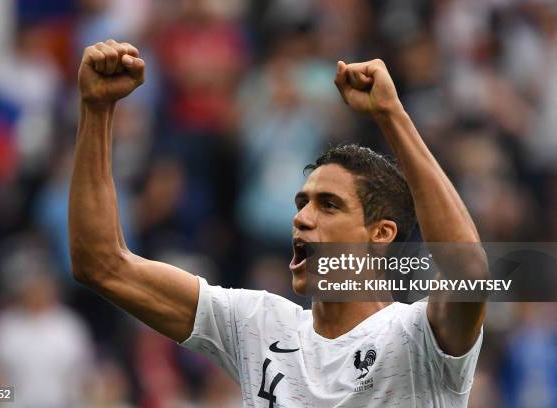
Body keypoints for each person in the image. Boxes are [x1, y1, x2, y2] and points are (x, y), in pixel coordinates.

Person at [69, 39, 487, 407]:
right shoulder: (259, 325)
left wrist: (391, 115)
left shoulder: (419, 335)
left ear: (381, 234)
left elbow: (468, 269)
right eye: (301, 203)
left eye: (328, 205)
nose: (302, 218)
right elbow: (101, 264)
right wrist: (96, 109)